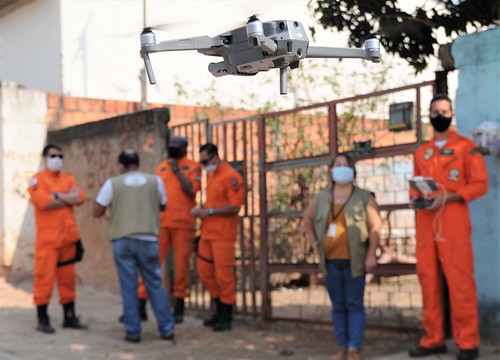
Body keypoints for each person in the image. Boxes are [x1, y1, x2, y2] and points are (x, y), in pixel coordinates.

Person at [408, 94, 488, 360]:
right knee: (427, 279)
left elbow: (480, 184)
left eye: (444, 110)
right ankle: (433, 339)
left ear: (451, 114)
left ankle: (467, 342)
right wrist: (418, 199)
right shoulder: (422, 151)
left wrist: (450, 196)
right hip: (426, 222)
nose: (439, 114)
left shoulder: (466, 147)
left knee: (460, 282)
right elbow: (414, 186)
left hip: (452, 220)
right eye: (435, 110)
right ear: (428, 115)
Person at [303, 153, 382, 360]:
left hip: (355, 261)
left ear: (353, 170)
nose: (341, 168)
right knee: (338, 305)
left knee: (354, 304)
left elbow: (376, 226)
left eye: (345, 165)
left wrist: (371, 255)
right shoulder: (321, 197)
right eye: (337, 165)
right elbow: (307, 219)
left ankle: (354, 347)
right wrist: (313, 242)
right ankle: (342, 345)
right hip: (330, 261)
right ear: (330, 170)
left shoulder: (365, 196)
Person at [93, 149, 175, 343]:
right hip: (149, 239)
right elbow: (163, 206)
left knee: (128, 287)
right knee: (155, 284)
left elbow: (97, 210)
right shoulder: (156, 181)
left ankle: (133, 332)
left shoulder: (113, 183)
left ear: (121, 166)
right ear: (138, 163)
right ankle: (167, 329)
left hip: (123, 240)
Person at [136, 136, 201, 324]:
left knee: (181, 267)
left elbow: (191, 190)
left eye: (176, 146)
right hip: (162, 224)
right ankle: (141, 302)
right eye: (170, 145)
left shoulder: (193, 167)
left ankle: (179, 306)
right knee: (151, 264)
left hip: (183, 225)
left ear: (184, 148)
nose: (172, 149)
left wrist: (177, 170)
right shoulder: (161, 167)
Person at [27, 144, 88, 334]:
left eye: (60, 156)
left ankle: (69, 317)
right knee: (44, 280)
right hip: (47, 242)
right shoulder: (37, 180)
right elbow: (44, 203)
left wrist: (57, 196)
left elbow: (81, 198)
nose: (57, 159)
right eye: (53, 156)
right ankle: (42, 318)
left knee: (68, 281)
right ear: (44, 158)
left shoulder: (67, 178)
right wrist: (67, 197)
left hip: (68, 240)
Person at [191, 143, 244, 332]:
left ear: (215, 157)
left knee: (224, 276)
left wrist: (210, 212)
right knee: (204, 271)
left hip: (223, 235)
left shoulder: (231, 177)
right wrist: (203, 212)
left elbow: (235, 207)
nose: (203, 165)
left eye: (205, 161)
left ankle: (226, 315)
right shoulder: (212, 176)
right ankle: (218, 307)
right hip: (208, 233)